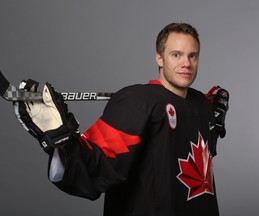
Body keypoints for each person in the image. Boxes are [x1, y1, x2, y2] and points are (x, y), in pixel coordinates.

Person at [14, 23, 229, 216]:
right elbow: (98, 163)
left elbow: (190, 152)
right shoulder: (137, 103)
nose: (186, 63)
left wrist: (213, 119)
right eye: (176, 55)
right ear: (159, 58)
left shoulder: (200, 104)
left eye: (193, 56)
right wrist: (63, 139)